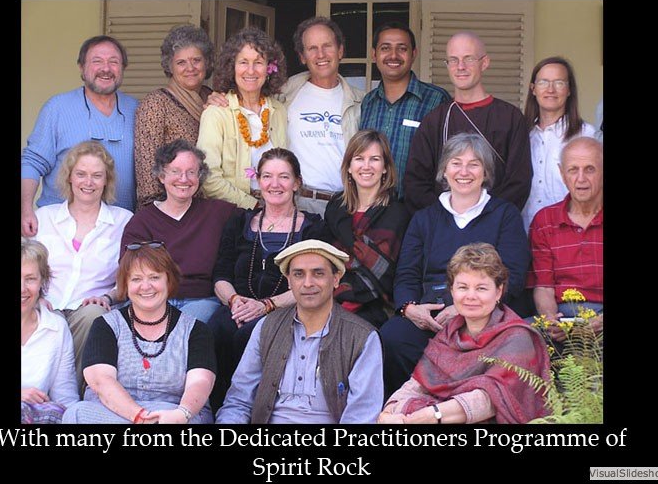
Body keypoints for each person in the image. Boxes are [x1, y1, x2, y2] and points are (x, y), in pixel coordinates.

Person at [380, 132, 530, 396]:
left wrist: (463, 309)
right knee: (393, 336)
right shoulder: (424, 218)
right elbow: (406, 273)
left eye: (474, 164)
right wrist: (410, 309)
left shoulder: (506, 215)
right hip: (431, 315)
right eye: (456, 163)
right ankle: (408, 409)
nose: (464, 171)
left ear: (485, 172)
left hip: (482, 314)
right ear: (444, 171)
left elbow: (513, 276)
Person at [207, 148, 329, 411]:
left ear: (297, 183)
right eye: (267, 176)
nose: (275, 184)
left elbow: (312, 282)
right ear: (258, 181)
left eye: (284, 177)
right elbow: (220, 275)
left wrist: (266, 306)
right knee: (215, 329)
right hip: (237, 307)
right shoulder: (239, 221)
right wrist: (235, 300)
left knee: (251, 335)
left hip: (286, 309)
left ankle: (252, 410)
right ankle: (216, 410)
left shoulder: (313, 227)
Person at [378, 243, 551, 424]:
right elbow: (417, 384)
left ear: (498, 291)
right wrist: (390, 410)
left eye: (481, 288)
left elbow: (491, 399)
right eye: (462, 287)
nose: (470, 296)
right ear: (452, 291)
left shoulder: (517, 337)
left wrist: (434, 414)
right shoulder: (449, 334)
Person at [216, 239, 383, 423]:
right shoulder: (267, 327)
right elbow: (238, 402)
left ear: (336, 279)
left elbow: (361, 416)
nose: (308, 283)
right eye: (298, 274)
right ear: (289, 281)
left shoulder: (361, 337)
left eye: (318, 273)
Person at [62, 242, 216, 424]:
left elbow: (200, 382)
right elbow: (100, 381)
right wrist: (139, 417)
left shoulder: (196, 330)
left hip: (172, 415)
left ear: (169, 280)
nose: (145, 286)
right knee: (77, 413)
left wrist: (181, 413)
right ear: (125, 285)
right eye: (136, 279)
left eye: (154, 277)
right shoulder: (106, 325)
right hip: (113, 413)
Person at [33, 141, 133, 392]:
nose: (88, 182)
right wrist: (35, 298)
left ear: (106, 181)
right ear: (69, 177)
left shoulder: (123, 221)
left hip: (88, 309)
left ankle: (72, 398)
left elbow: (130, 276)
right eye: (81, 174)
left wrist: (107, 297)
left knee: (94, 316)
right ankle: (36, 396)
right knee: (42, 320)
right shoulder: (44, 217)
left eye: (97, 175)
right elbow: (27, 267)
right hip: (45, 304)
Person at [403, 31, 531, 215]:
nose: (460, 66)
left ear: (484, 63)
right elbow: (416, 183)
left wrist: (485, 218)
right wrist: (447, 219)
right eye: (453, 60)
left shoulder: (510, 118)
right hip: (443, 229)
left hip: (495, 227)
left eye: (469, 59)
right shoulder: (435, 120)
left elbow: (519, 182)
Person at [22, 35, 139, 236]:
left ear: (123, 68)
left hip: (118, 229)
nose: (106, 68)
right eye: (97, 61)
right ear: (81, 68)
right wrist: (25, 210)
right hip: (59, 229)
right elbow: (32, 162)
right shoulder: (57, 108)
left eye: (114, 62)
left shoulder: (137, 110)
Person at [121, 139, 238, 323]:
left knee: (185, 326)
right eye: (175, 172)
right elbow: (129, 271)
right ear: (161, 176)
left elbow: (261, 220)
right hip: (153, 301)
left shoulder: (219, 212)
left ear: (200, 176)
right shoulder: (142, 222)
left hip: (202, 301)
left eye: (191, 172)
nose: (184, 179)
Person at [324, 129, 411, 328]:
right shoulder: (335, 208)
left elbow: (385, 275)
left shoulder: (397, 213)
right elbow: (324, 260)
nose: (366, 166)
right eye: (359, 158)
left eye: (374, 159)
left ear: (385, 167)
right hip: (328, 299)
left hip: (376, 306)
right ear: (348, 167)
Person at [196, 27, 288, 209]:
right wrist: (252, 205)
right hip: (232, 214)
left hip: (276, 209)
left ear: (269, 68)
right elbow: (207, 177)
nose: (251, 71)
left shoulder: (278, 110)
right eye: (243, 62)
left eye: (259, 62)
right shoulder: (216, 113)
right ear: (232, 67)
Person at [283, 17, 366, 215]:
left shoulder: (361, 101)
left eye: (327, 46)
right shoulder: (283, 96)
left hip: (345, 205)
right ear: (302, 56)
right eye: (312, 48)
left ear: (340, 51)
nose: (321, 54)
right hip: (296, 203)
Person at [360, 22, 451, 199]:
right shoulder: (368, 103)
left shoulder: (437, 100)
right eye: (385, 48)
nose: (393, 55)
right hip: (371, 209)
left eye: (402, 48)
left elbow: (449, 159)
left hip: (417, 211)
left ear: (413, 54)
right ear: (374, 54)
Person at [528, 137, 603, 343]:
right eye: (573, 170)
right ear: (562, 174)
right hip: (562, 316)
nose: (581, 178)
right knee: (514, 338)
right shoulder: (544, 220)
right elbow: (543, 286)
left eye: (590, 169)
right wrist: (550, 320)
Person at [134, 25, 215, 208]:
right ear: (170, 66)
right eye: (181, 62)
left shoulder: (215, 98)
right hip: (170, 212)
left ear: (207, 62)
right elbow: (148, 176)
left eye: (196, 60)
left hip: (210, 209)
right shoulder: (155, 104)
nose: (190, 68)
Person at [521, 57, 596, 231]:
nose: (550, 89)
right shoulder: (521, 134)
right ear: (533, 89)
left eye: (559, 83)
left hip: (570, 235)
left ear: (569, 90)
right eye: (543, 82)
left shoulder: (586, 135)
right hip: (524, 232)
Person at [21, 238, 78, 424]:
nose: (22, 289)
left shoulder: (56, 328)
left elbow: (64, 397)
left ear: (42, 282)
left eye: (30, 279)